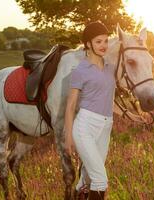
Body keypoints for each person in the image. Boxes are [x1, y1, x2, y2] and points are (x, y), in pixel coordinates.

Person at [64, 21, 116, 200]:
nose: (103, 46)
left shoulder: (110, 68)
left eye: (106, 41)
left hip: (106, 126)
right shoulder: (80, 70)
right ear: (88, 44)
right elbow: (71, 106)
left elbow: (108, 98)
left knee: (87, 179)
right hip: (85, 126)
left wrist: (130, 114)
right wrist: (68, 136)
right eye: (98, 41)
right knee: (100, 179)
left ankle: (78, 194)